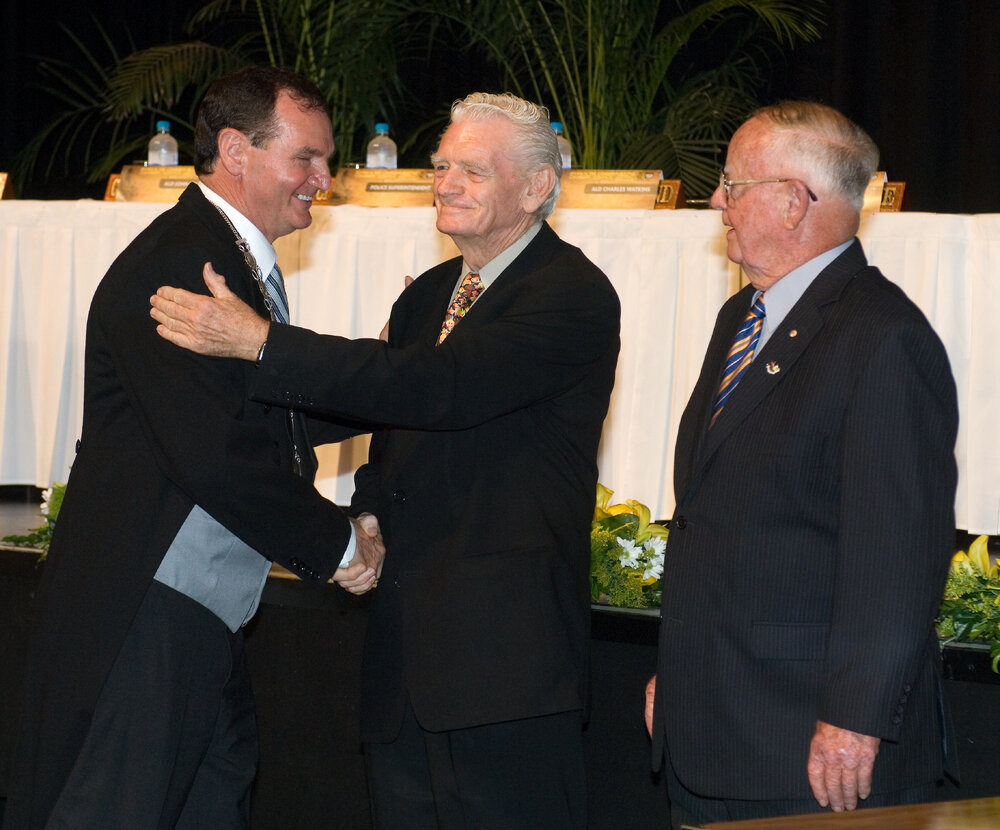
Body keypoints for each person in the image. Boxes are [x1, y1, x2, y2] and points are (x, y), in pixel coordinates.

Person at [149, 91, 621, 828]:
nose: (446, 183)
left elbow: (441, 389)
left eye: (473, 169)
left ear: (537, 188)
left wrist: (262, 345)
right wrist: (361, 511)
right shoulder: (432, 294)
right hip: (403, 658)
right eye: (441, 166)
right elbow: (387, 429)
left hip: (505, 667)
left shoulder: (571, 294)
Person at [3, 67, 382, 830]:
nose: (325, 179)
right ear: (236, 150)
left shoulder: (222, 255)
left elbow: (259, 409)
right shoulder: (180, 262)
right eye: (305, 158)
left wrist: (387, 384)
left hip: (198, 622)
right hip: (147, 616)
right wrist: (337, 544)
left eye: (328, 160)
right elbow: (215, 451)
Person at [642, 101, 958, 827]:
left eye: (731, 182)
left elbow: (897, 560)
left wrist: (855, 721)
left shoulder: (883, 339)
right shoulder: (742, 318)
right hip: (717, 732)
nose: (716, 200)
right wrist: (684, 671)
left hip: (806, 755)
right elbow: (720, 520)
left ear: (792, 202)